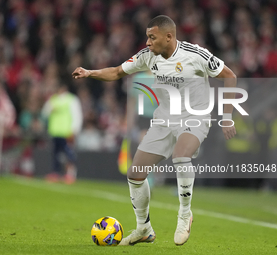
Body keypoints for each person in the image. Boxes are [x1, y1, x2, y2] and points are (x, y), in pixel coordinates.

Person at [72, 15, 236, 246]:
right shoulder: (148, 57)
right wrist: (90, 72)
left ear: (169, 36)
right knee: (135, 174)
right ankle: (144, 228)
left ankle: (185, 214)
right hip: (163, 120)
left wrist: (227, 117)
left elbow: (229, 75)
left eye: (152, 37)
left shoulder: (195, 54)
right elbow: (118, 71)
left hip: (195, 117)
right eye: (147, 37)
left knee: (181, 155)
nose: (147, 42)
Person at [41, 83, 83, 184]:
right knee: (56, 154)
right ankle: (56, 173)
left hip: (67, 132)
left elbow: (77, 115)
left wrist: (74, 130)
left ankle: (70, 174)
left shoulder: (72, 99)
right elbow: (44, 113)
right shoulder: (53, 99)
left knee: (68, 153)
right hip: (55, 131)